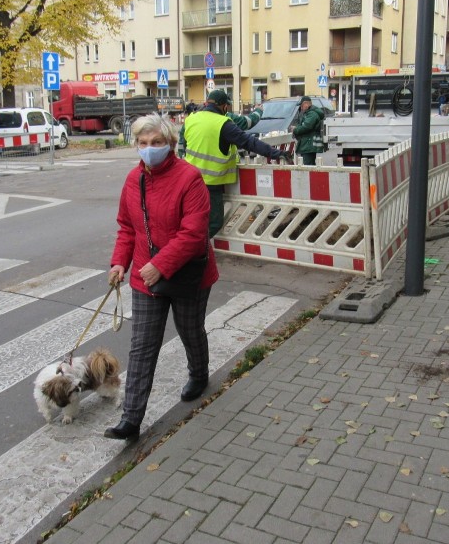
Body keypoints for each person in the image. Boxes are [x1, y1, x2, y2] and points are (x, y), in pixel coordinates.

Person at [104, 114, 218, 441]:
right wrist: (119, 264)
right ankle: (131, 420)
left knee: (190, 331)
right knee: (141, 347)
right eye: (143, 143)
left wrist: (161, 264)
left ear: (170, 144)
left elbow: (195, 234)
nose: (149, 149)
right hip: (145, 276)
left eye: (156, 143)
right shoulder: (132, 180)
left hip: (187, 275)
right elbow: (127, 228)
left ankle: (199, 375)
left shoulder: (189, 179)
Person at [181, 89, 287, 238]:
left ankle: (189, 249)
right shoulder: (223, 124)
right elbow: (249, 142)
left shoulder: (191, 119)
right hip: (210, 184)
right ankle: (190, 252)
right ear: (223, 106)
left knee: (193, 219)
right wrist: (276, 153)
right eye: (227, 107)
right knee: (213, 223)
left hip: (189, 180)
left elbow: (185, 147)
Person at [292, 96, 326, 166]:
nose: (301, 108)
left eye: (302, 106)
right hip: (308, 144)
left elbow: (306, 127)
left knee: (308, 165)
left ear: (306, 104)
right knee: (310, 165)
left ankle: (310, 177)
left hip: (308, 144)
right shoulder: (310, 113)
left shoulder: (312, 114)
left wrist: (295, 129)